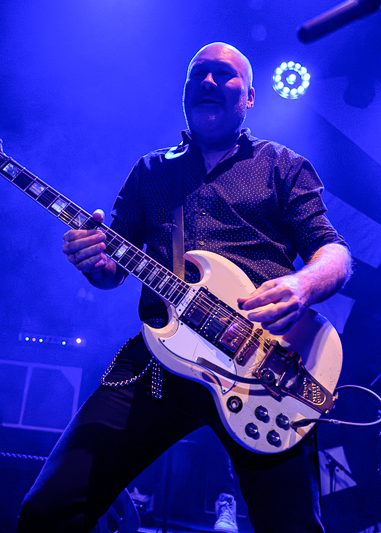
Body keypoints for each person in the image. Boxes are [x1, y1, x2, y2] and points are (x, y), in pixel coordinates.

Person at [17, 42, 352, 533]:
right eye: (199, 73)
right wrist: (94, 262)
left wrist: (302, 285)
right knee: (47, 510)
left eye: (224, 74)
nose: (209, 82)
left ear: (250, 97)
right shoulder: (152, 171)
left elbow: (334, 252)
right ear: (185, 91)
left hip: (262, 367)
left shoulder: (282, 165)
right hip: (161, 360)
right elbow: (113, 270)